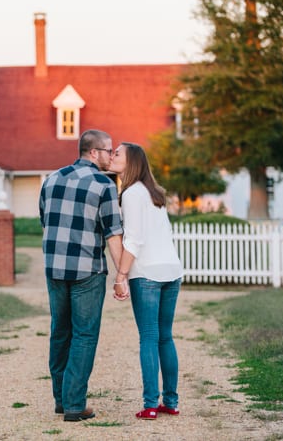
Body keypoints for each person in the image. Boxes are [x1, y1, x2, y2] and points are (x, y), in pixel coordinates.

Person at [39, 129, 124, 422]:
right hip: (87, 271)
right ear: (93, 152)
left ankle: (61, 400)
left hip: (54, 269)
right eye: (109, 151)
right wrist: (121, 276)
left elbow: (44, 221)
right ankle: (75, 405)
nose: (112, 156)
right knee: (84, 335)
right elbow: (114, 234)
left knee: (60, 332)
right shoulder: (104, 184)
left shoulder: (51, 180)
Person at [109, 142, 184, 420]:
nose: (112, 155)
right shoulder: (154, 194)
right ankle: (171, 402)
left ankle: (151, 403)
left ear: (132, 163)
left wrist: (121, 276)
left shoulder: (130, 193)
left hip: (148, 274)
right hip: (171, 271)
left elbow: (134, 239)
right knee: (165, 337)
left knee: (149, 338)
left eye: (117, 153)